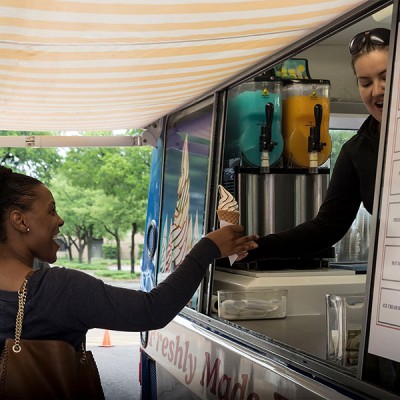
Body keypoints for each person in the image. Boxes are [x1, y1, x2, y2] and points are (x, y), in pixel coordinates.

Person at [0, 166, 258, 355]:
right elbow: (152, 310)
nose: (60, 220)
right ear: (19, 221)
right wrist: (208, 248)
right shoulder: (58, 289)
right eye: (51, 210)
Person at [245, 28, 390, 261]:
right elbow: (326, 228)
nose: (377, 90)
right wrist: (247, 250)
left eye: (386, 77)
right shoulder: (357, 150)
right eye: (365, 83)